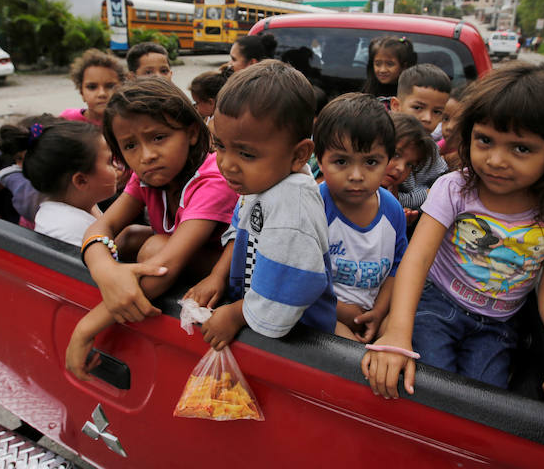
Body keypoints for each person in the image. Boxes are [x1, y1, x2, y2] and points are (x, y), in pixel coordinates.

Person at [362, 62, 544, 449]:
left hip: (500, 326)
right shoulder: (455, 188)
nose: (495, 160)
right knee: (429, 395)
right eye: (485, 140)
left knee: (484, 416)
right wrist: (398, 332)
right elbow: (417, 261)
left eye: (521, 148)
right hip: (436, 306)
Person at [66, 77, 238, 379]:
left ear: (192, 133)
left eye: (158, 137)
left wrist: (85, 329)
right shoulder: (147, 174)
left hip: (228, 277)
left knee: (153, 248)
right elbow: (104, 225)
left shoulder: (212, 181)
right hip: (175, 259)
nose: (146, 155)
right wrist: (104, 270)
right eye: (130, 146)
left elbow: (164, 268)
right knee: (130, 237)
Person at [185, 60, 337, 350]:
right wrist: (217, 276)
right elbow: (239, 230)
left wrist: (235, 315)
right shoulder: (262, 181)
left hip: (301, 343)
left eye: (246, 154)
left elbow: (293, 283)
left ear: (299, 155)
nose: (227, 164)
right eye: (220, 146)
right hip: (256, 318)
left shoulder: (292, 207)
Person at [313, 93, 407, 342]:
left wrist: (378, 312)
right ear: (320, 160)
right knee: (349, 353)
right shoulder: (314, 207)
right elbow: (299, 278)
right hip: (322, 312)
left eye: (371, 162)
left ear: (387, 161)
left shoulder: (392, 210)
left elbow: (398, 267)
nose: (356, 175)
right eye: (341, 161)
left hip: (372, 312)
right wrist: (342, 311)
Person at [389, 65, 451, 211]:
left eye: (437, 112)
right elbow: (389, 196)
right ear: (396, 106)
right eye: (418, 108)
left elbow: (443, 186)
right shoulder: (382, 140)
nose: (427, 118)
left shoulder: (431, 148)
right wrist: (427, 195)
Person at [381, 112, 433, 224]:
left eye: (410, 165)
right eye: (396, 155)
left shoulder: (391, 190)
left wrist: (400, 220)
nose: (401, 168)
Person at [60, 49, 127, 126]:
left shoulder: (129, 122)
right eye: (92, 87)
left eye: (110, 86)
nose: (102, 93)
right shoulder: (67, 120)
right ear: (82, 93)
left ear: (122, 88)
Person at [363, 36, 417, 105]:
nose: (382, 70)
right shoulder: (368, 91)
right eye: (378, 64)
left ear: (404, 66)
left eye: (390, 64)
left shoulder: (410, 94)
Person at [437, 83, 468, 171]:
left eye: (459, 121)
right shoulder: (442, 146)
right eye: (445, 119)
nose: (449, 127)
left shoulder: (471, 158)